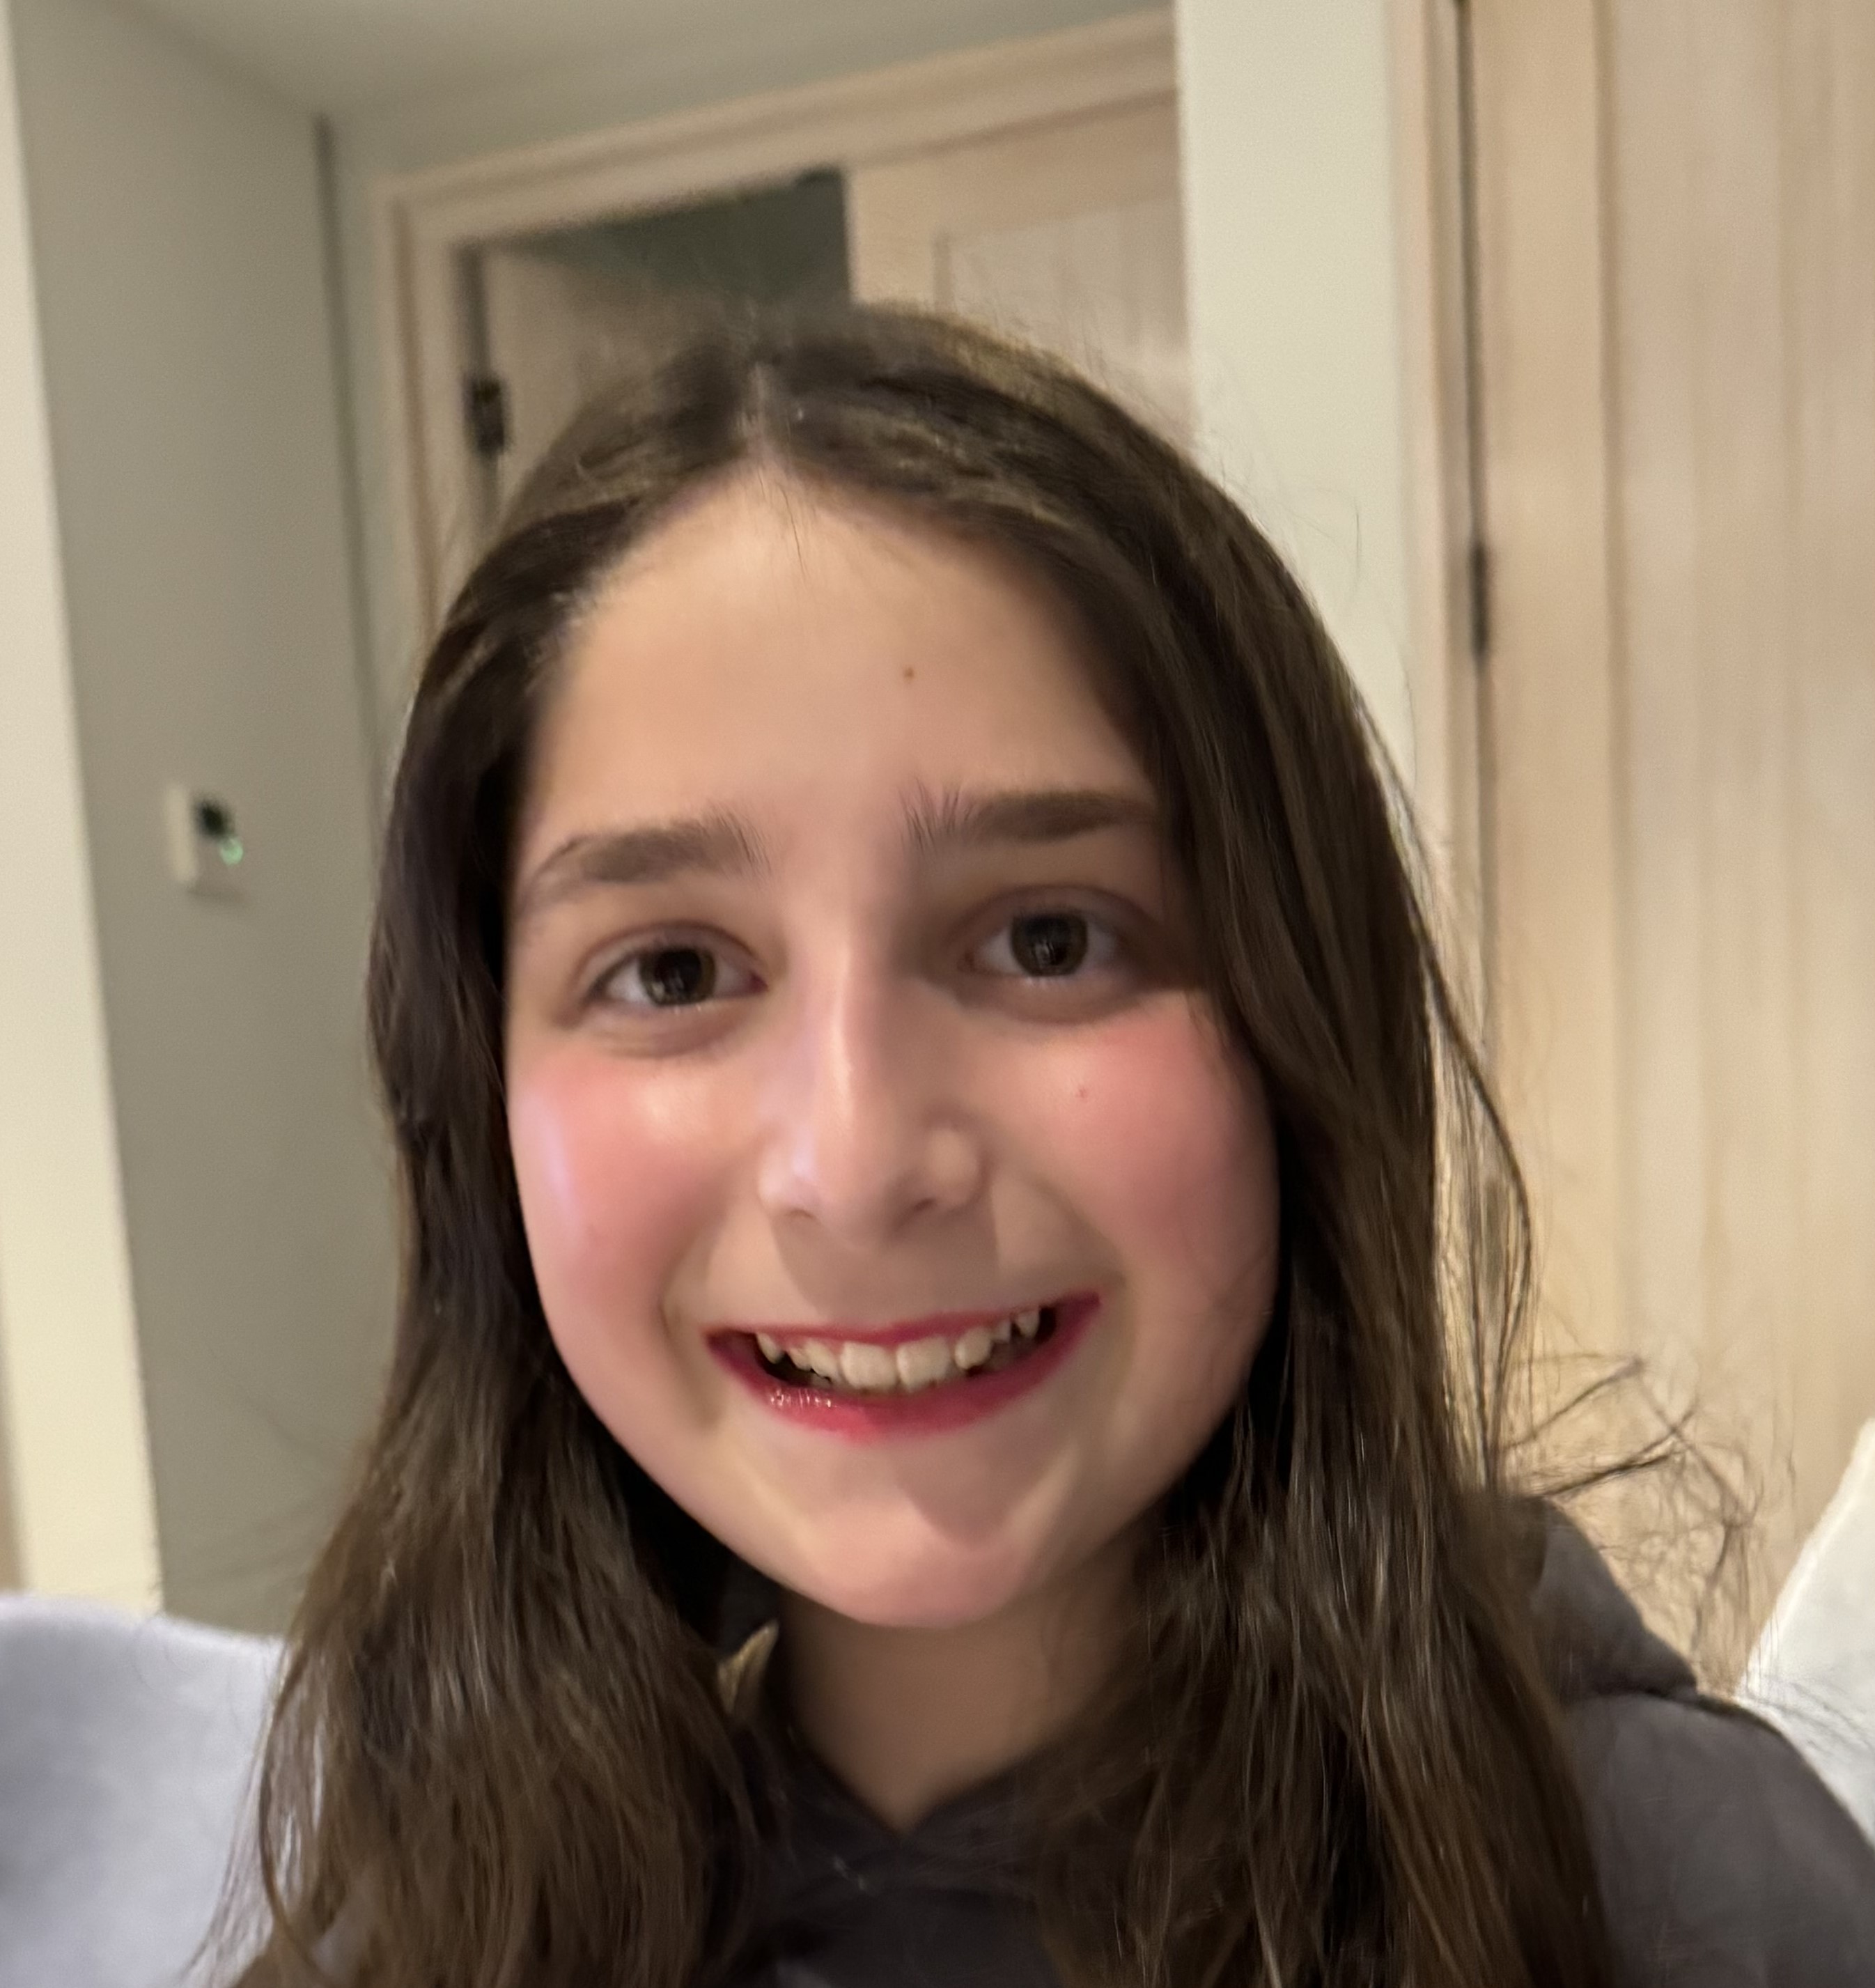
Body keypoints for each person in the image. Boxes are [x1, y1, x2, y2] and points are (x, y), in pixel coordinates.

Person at [234, 306, 1875, 1988]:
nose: (854, 1163)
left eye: (1046, 940)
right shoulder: (424, 1923)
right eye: (672, 972)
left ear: (1297, 1021)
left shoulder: (1672, 1894)